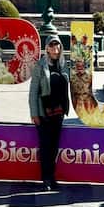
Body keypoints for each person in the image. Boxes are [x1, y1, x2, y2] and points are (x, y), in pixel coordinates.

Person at [29, 35, 69, 191]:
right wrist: (34, 114)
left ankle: (52, 178)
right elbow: (33, 91)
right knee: (45, 147)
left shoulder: (63, 65)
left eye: (57, 46)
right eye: (52, 46)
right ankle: (46, 179)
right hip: (44, 113)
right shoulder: (40, 65)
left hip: (58, 113)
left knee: (54, 148)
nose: (55, 49)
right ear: (47, 49)